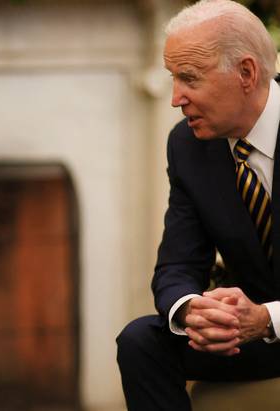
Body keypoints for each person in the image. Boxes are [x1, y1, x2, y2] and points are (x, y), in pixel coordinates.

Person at [116, 0, 280, 409]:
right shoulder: (188, 145)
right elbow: (177, 265)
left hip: (267, 324)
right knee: (140, 342)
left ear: (246, 73)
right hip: (248, 335)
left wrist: (265, 318)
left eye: (189, 78)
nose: (175, 99)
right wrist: (192, 311)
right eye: (173, 78)